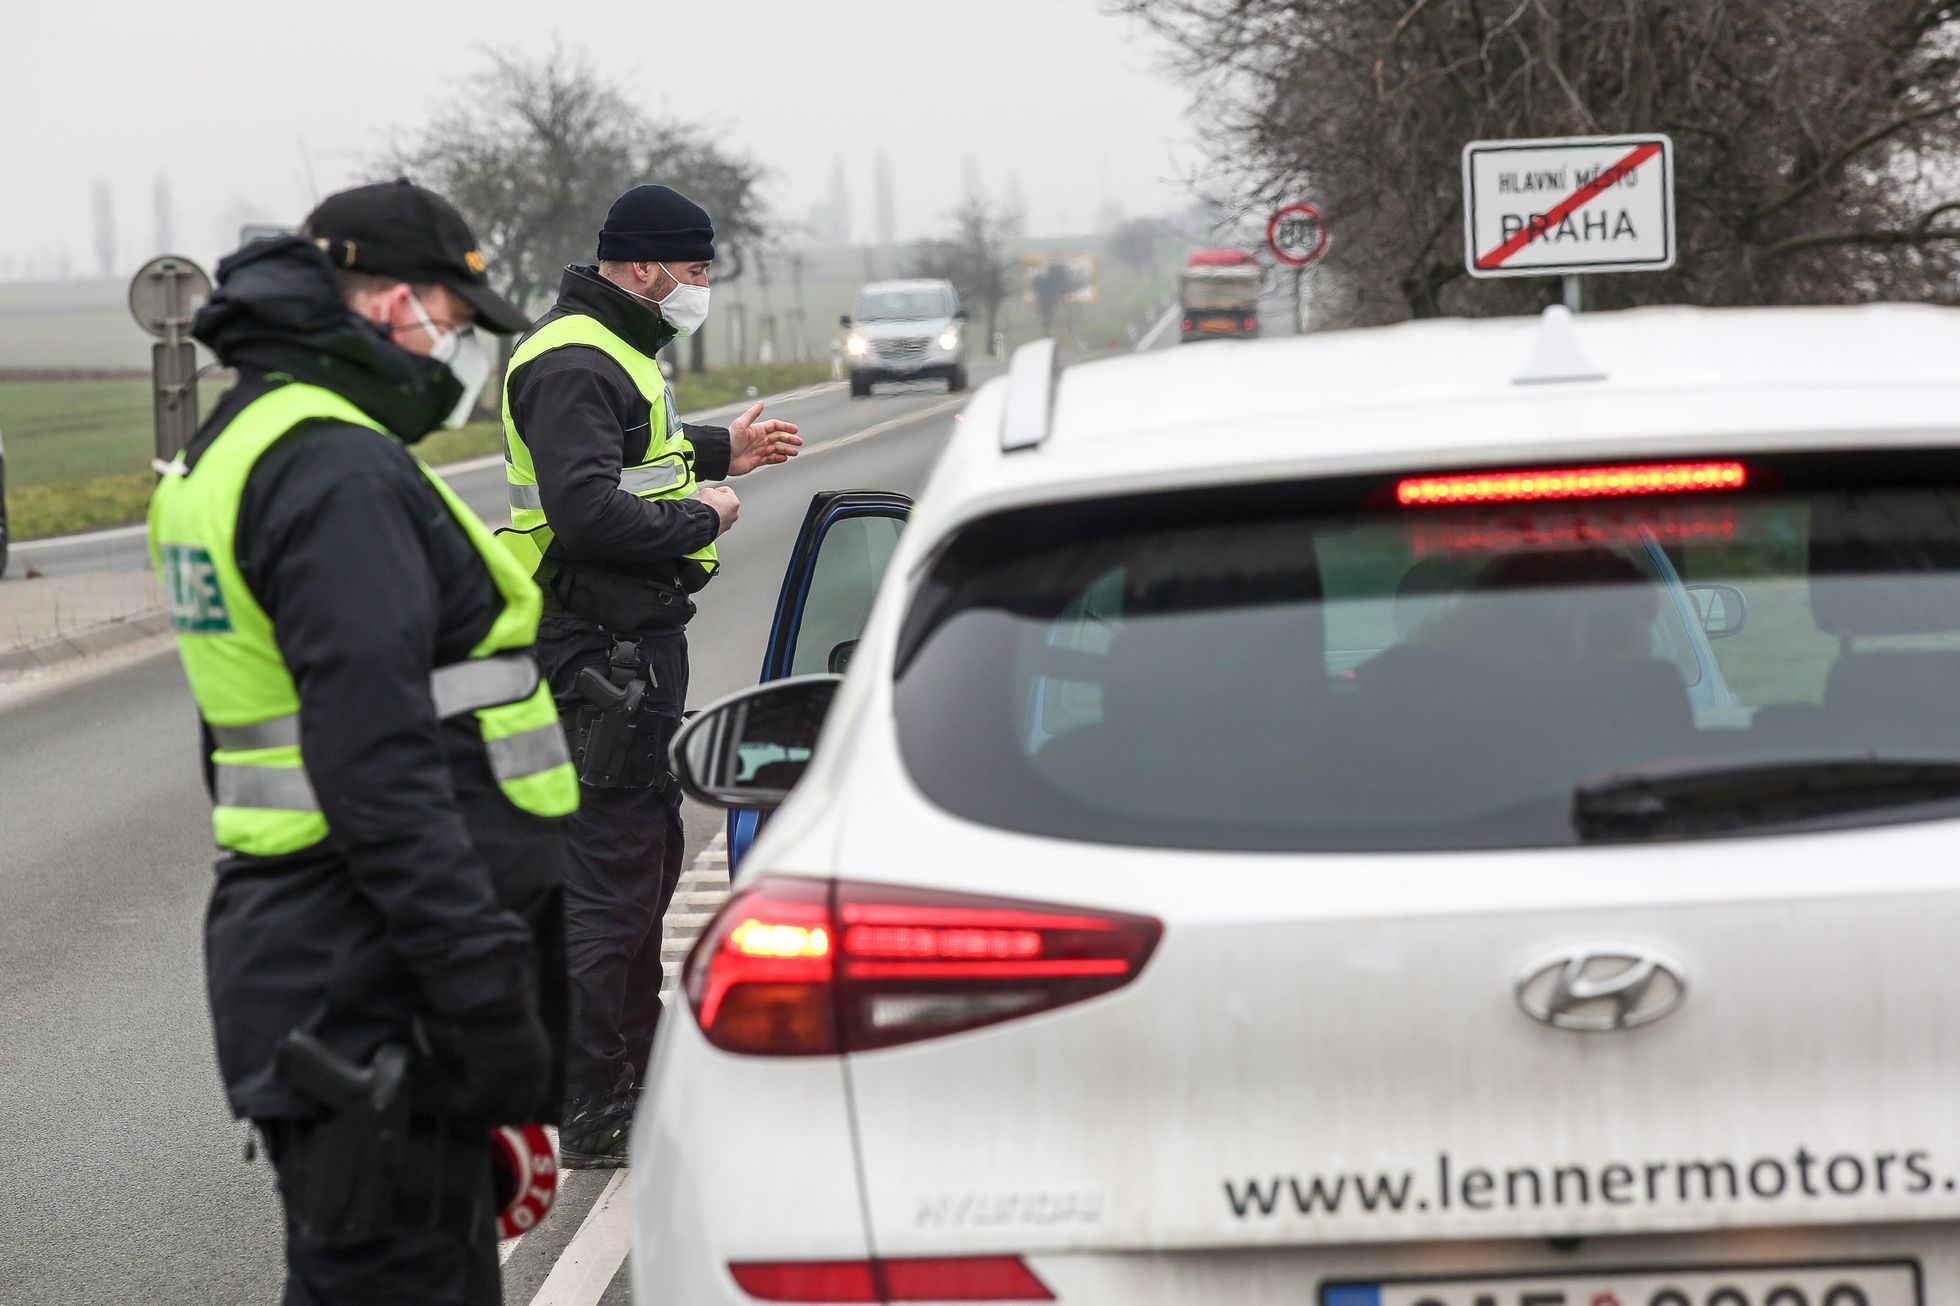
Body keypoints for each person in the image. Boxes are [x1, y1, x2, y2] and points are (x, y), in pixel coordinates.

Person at [148, 179, 576, 1304]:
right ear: (392, 304)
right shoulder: (334, 468)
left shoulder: (235, 444)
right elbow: (376, 767)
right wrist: (486, 995)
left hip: (316, 955)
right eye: (456, 318)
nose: (463, 353)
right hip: (379, 981)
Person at [499, 183, 801, 1167]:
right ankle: (598, 1102)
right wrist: (705, 514)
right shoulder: (576, 358)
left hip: (623, 647)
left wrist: (725, 451)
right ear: (642, 266)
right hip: (593, 652)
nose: (701, 286)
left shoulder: (613, 348)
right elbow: (588, 511)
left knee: (641, 865)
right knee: (610, 882)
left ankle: (634, 1071)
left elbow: (638, 455)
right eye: (696, 268)